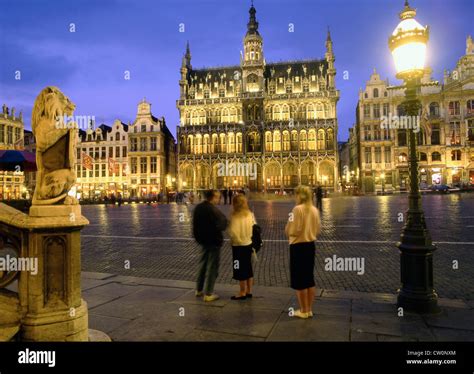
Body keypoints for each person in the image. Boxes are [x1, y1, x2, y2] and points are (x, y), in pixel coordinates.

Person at [285, 185, 321, 319]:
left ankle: (303, 310)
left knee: (299, 279)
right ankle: (309, 309)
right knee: (309, 278)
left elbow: (291, 230)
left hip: (298, 247)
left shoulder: (296, 210)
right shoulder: (314, 210)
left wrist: (288, 231)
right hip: (310, 246)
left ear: (299, 195)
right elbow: (317, 229)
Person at [193, 190, 228, 302]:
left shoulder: (198, 208)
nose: (219, 199)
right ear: (212, 197)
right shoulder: (213, 209)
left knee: (202, 264)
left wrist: (198, 238)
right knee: (212, 267)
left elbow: (195, 225)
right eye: (218, 197)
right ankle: (208, 293)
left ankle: (199, 289)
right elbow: (223, 223)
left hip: (203, 241)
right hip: (213, 241)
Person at [227, 194, 256, 300]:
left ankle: (242, 292)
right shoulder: (250, 214)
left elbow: (233, 232)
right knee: (248, 268)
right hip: (248, 244)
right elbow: (254, 227)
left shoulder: (235, 216)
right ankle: (249, 291)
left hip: (238, 246)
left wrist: (235, 239)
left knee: (239, 269)